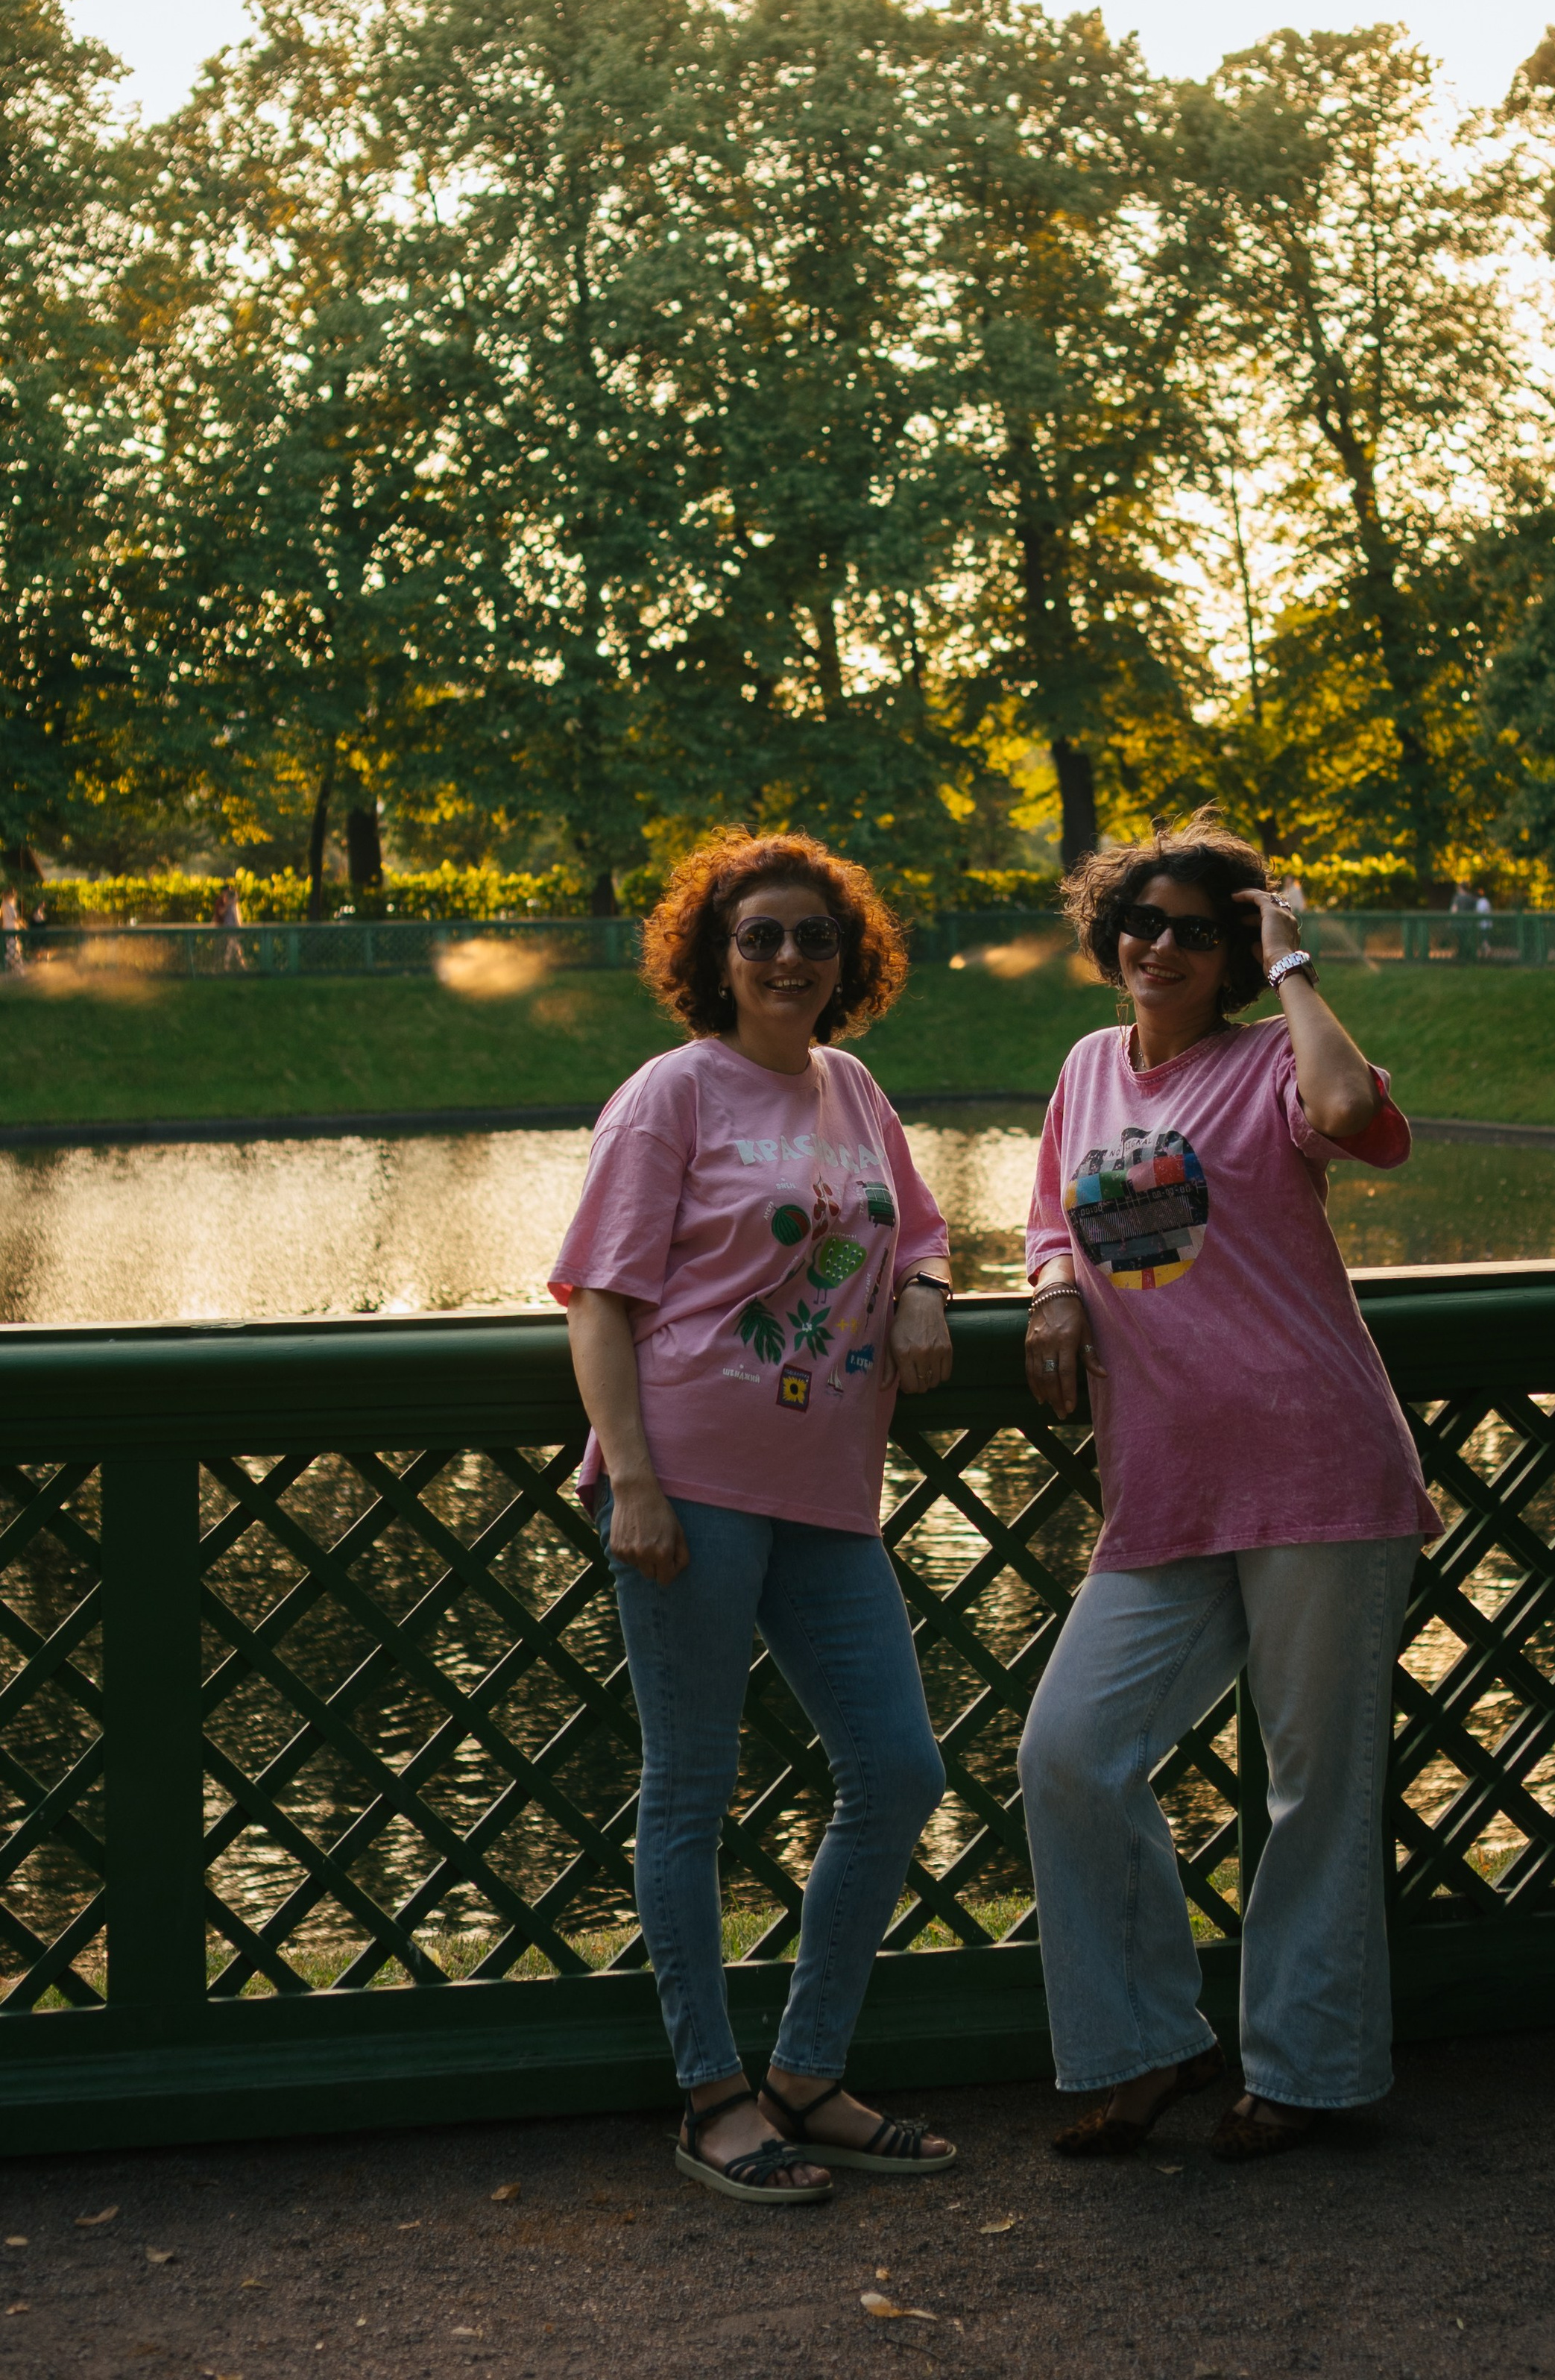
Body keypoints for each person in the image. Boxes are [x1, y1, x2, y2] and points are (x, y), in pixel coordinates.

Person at [1015, 808, 1439, 2166]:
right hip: (1171, 1486)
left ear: (1236, 954)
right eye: (1141, 922)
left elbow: (1346, 1114)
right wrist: (1051, 1293)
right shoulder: (1088, 1068)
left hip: (1322, 1466)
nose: (1161, 946)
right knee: (1069, 1754)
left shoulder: (1268, 1060)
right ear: (1109, 935)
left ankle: (1307, 2073)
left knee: (1313, 1789)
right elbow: (1048, 1217)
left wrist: (1300, 963)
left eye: (1200, 932)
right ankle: (1148, 2046)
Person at [551, 831, 960, 2206]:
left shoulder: (849, 1086)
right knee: (692, 1791)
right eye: (760, 936)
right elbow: (600, 1304)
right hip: (693, 1485)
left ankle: (805, 2074)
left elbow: (918, 1224)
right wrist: (638, 1479)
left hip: (828, 1493)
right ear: (713, 958)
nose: (789, 958)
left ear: (849, 962)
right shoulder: (672, 1094)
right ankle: (713, 2097)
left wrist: (922, 1290)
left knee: (898, 1770)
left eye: (813, 938)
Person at [0, 885, 19, 976]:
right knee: (12, 947)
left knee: (10, 946)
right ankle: (10, 965)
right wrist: (23, 924)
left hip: (7, 927)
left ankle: (10, 965)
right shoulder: (8, 905)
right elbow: (14, 918)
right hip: (11, 928)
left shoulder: (3, 904)